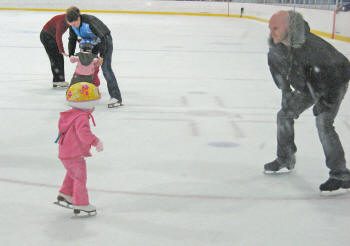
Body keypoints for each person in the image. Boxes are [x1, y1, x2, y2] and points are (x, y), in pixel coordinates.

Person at [265, 10, 350, 192]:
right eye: (270, 28)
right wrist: (287, 95)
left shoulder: (313, 48)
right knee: (284, 114)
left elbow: (335, 75)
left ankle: (340, 173)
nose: (272, 32)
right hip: (310, 84)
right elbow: (282, 78)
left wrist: (323, 103)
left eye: (276, 28)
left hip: (334, 81)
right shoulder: (275, 51)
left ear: (288, 28)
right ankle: (285, 157)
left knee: (323, 122)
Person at [56, 82, 104, 215]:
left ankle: (66, 194)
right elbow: (84, 134)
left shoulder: (71, 115)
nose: (94, 108)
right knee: (80, 178)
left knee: (73, 174)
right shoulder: (82, 117)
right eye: (93, 104)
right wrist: (96, 141)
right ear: (86, 104)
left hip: (66, 152)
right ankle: (81, 203)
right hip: (74, 154)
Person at [65, 6, 123, 108]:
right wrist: (71, 54)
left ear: (79, 18)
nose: (73, 25)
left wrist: (102, 56)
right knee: (87, 66)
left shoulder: (90, 22)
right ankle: (89, 89)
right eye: (71, 24)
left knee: (106, 68)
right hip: (91, 42)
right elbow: (72, 39)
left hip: (105, 41)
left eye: (75, 23)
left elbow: (103, 38)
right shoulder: (72, 25)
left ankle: (116, 97)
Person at [40, 14, 69, 88]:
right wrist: (61, 50)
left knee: (57, 58)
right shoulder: (62, 22)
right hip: (47, 36)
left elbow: (74, 33)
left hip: (50, 36)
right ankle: (58, 81)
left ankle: (58, 81)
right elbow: (58, 36)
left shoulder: (70, 19)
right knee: (56, 58)